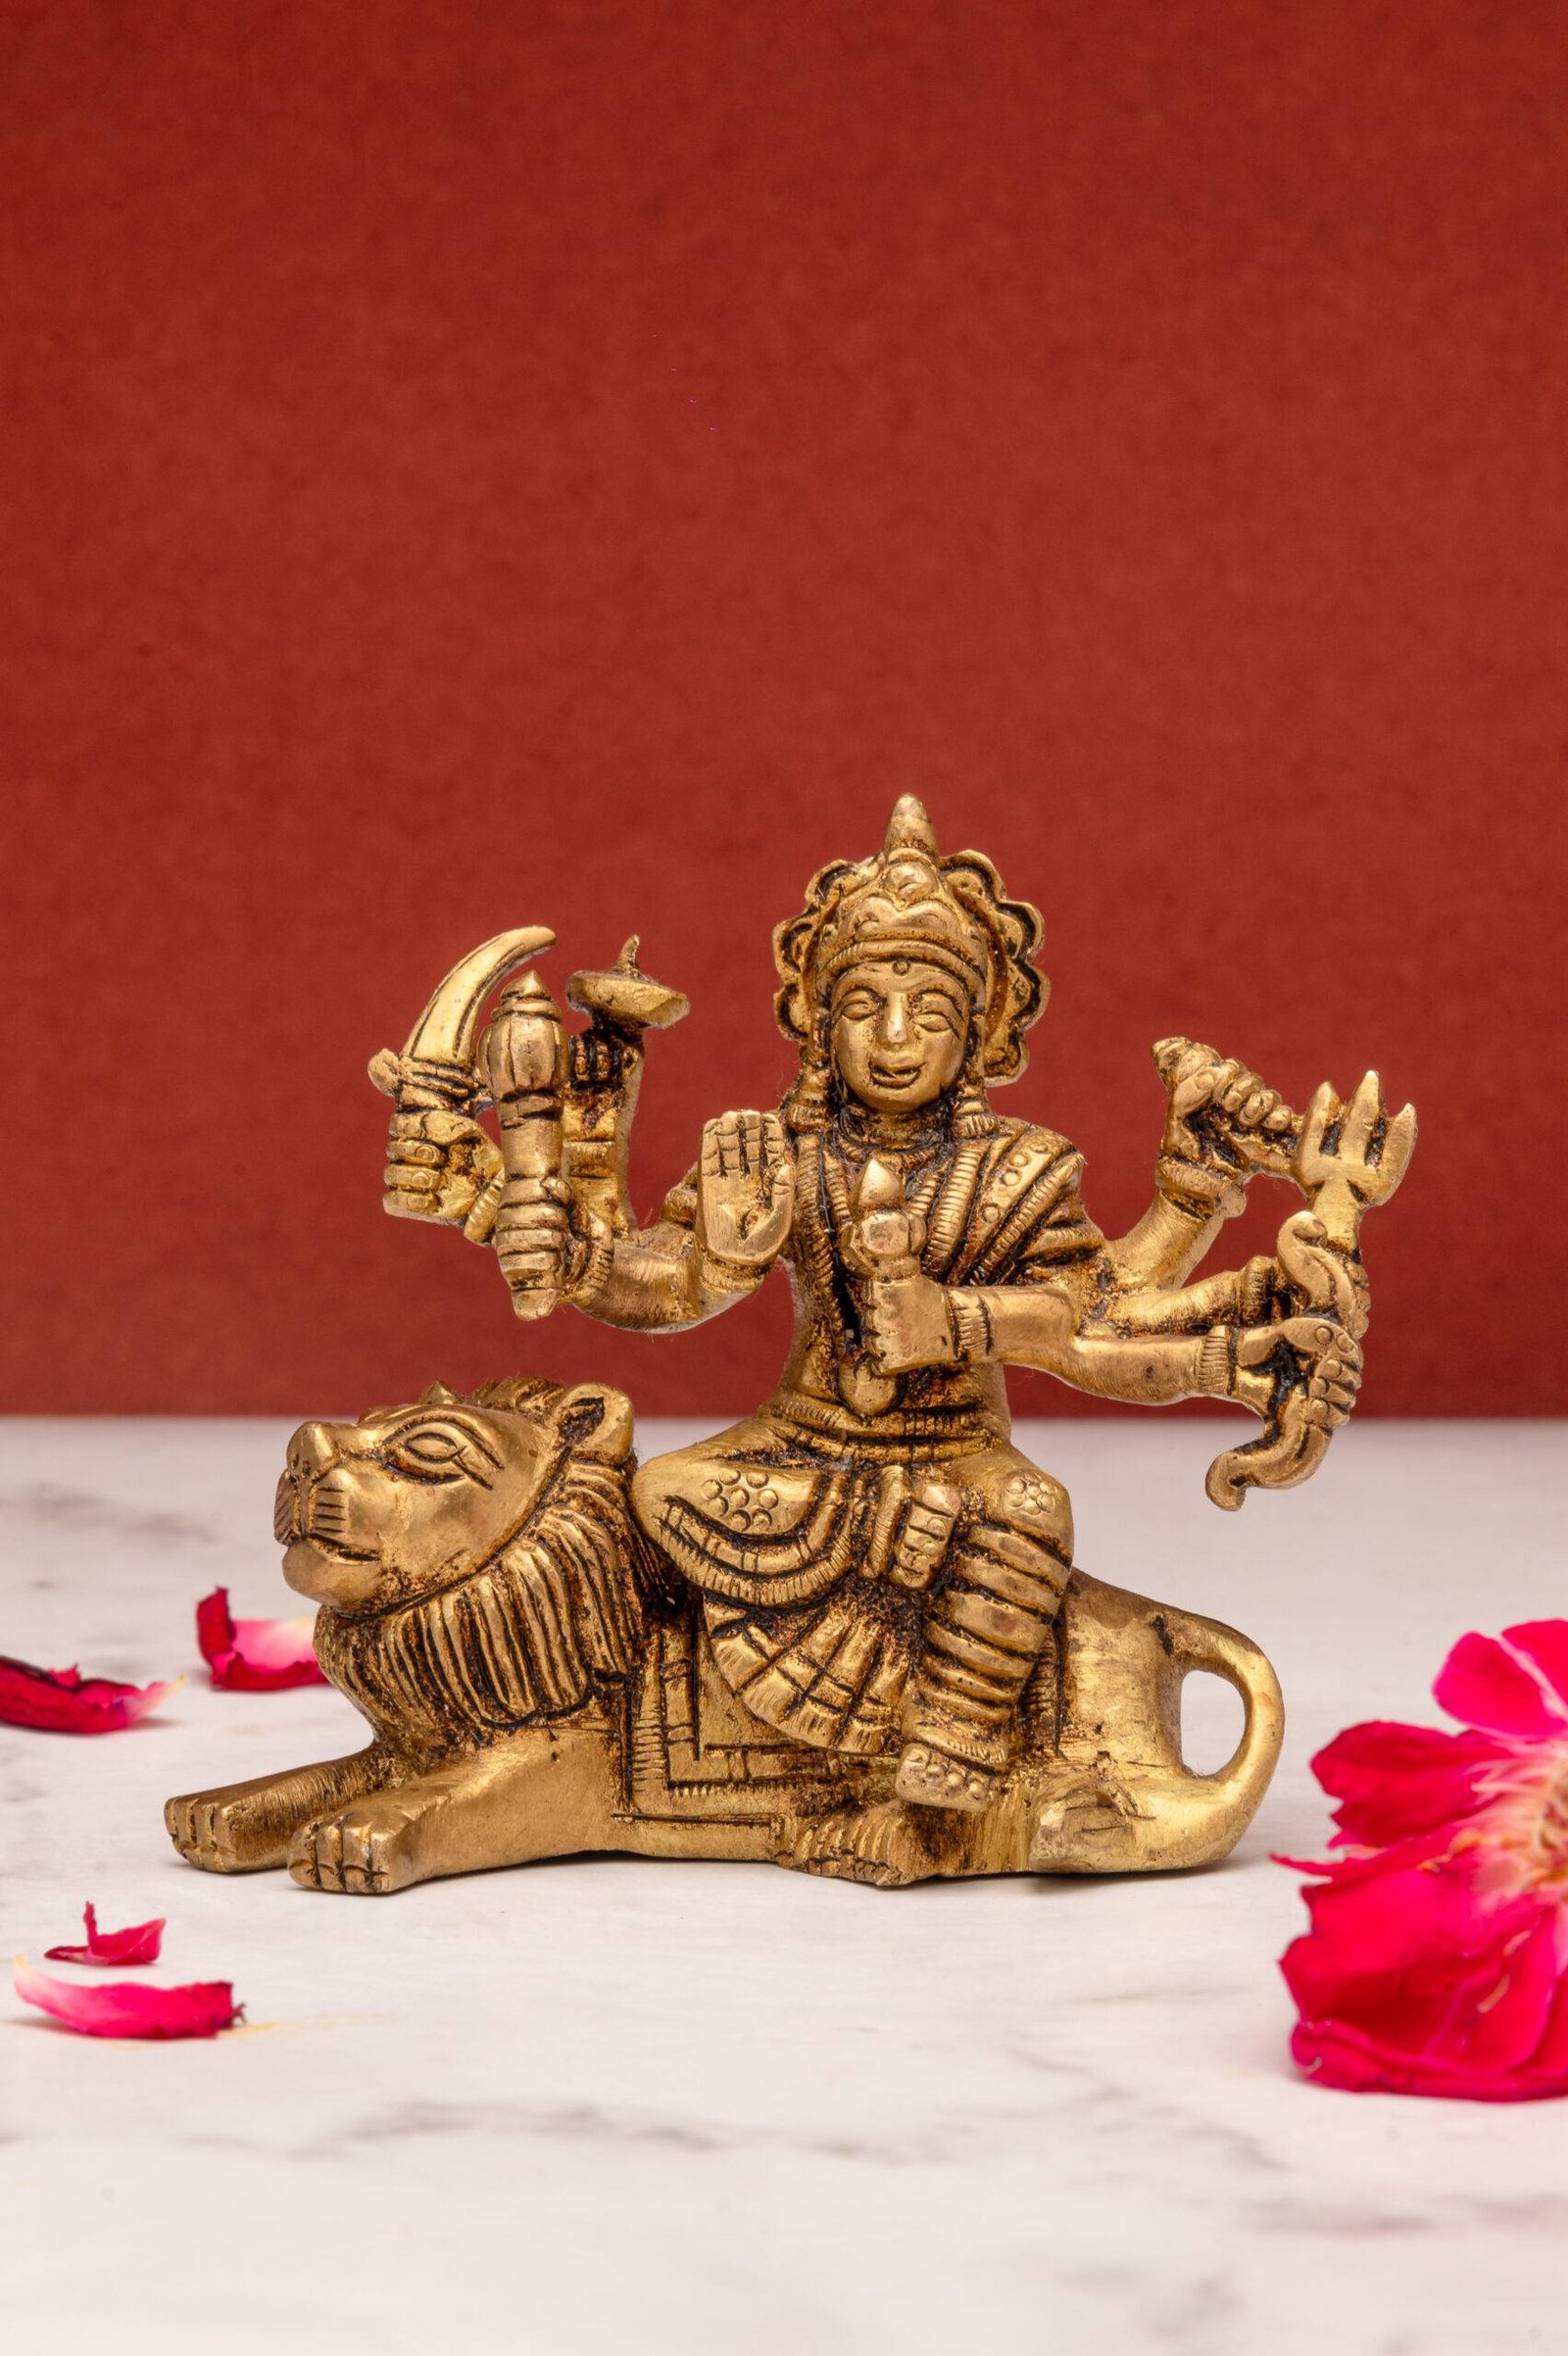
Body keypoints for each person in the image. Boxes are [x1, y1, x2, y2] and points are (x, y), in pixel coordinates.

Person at [387, 799, 1358, 1882]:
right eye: (863, 1006)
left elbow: (1089, 1316)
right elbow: (663, 1285)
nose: (894, 1038)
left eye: (929, 1011)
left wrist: (978, 1315)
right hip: (803, 1445)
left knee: (1032, 1508)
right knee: (660, 1488)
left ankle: (951, 1753)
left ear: (980, 1031)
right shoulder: (776, 1152)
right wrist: (579, 1246)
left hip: (955, 1454)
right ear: (817, 1022)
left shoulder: (1022, 1171)